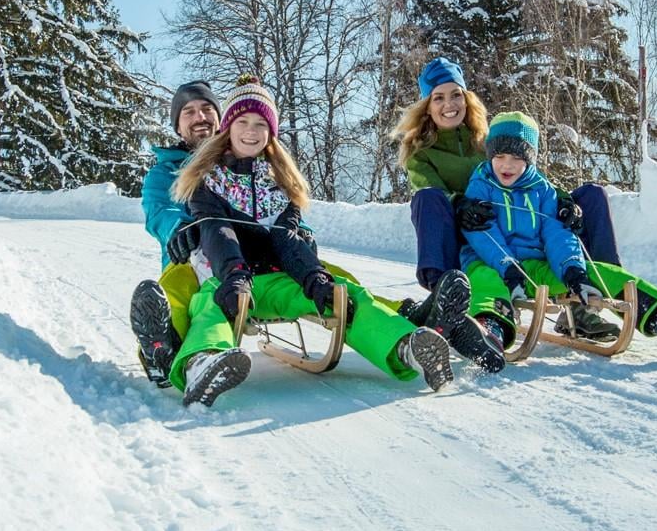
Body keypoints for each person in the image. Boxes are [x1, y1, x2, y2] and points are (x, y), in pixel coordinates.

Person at [167, 79, 457, 406]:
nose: (251, 130)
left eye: (261, 123)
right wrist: (233, 275)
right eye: (242, 121)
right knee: (208, 306)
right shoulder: (207, 181)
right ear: (228, 127)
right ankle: (202, 362)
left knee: (343, 294)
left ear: (271, 132)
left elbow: (287, 238)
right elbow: (217, 231)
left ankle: (405, 346)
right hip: (224, 278)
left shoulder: (281, 183)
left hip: (277, 280)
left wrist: (314, 278)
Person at [458, 112, 657, 361]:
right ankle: (489, 331)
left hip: (534, 268)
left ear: (530, 159)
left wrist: (573, 271)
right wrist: (508, 268)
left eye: (517, 158)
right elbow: (482, 234)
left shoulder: (544, 191)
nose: (507, 165)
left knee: (602, 274)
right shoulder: (480, 186)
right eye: (500, 156)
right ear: (490, 156)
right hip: (490, 262)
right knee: (486, 281)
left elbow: (558, 234)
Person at [390, 57, 623, 342]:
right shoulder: (420, 152)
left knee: (592, 196)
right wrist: (460, 203)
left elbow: (533, 179)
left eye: (456, 95)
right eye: (438, 97)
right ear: (427, 106)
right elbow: (427, 188)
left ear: (466, 99)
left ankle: (589, 299)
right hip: (468, 235)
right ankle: (446, 296)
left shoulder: (490, 140)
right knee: (427, 199)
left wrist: (564, 201)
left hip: (516, 228)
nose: (449, 104)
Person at [130, 80, 220, 384]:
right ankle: (160, 347)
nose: (200, 117)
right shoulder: (165, 172)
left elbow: (276, 202)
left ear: (219, 117)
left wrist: (298, 230)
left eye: (207, 108)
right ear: (178, 127)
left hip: (240, 260)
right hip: (188, 259)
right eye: (189, 112)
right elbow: (158, 210)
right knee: (181, 292)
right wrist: (179, 228)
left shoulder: (242, 163)